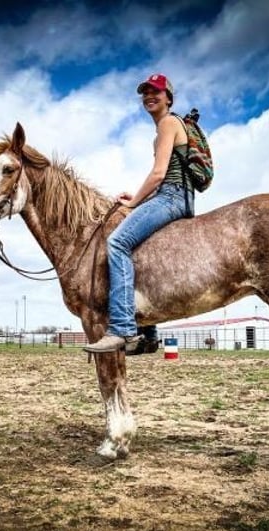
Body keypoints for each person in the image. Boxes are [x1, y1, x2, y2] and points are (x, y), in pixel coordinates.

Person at [84, 73, 194, 354]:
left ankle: (121, 328)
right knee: (135, 242)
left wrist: (133, 205)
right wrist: (137, 198)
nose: (149, 96)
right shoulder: (159, 135)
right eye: (145, 92)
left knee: (117, 242)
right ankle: (148, 334)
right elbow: (162, 177)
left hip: (172, 196)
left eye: (156, 92)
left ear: (168, 98)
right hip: (168, 195)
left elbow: (159, 175)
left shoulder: (169, 123)